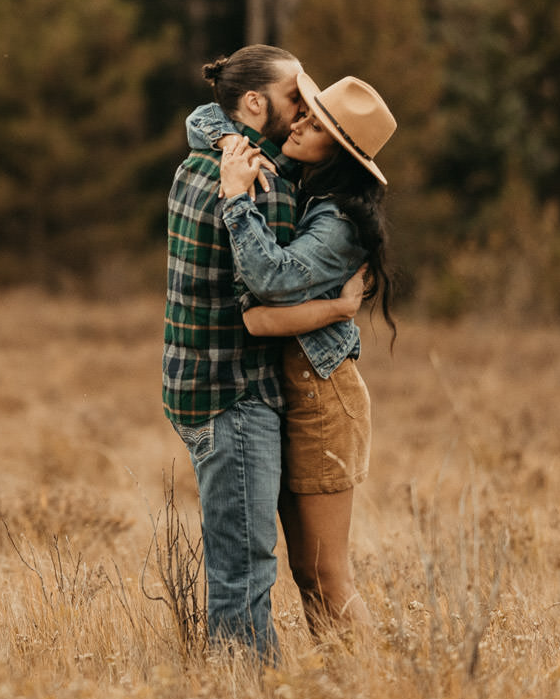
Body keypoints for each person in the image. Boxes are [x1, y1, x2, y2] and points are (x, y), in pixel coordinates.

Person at [162, 46, 366, 663]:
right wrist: (338, 308)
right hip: (239, 394)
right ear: (255, 104)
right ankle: (245, 698)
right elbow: (263, 298)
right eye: (296, 99)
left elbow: (205, 117)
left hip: (194, 389)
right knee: (246, 570)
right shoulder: (262, 186)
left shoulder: (195, 161)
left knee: (263, 563)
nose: (305, 111)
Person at [190, 71, 397, 641]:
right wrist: (230, 143)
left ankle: (380, 696)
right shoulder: (304, 192)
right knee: (305, 571)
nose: (300, 121)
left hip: (325, 401)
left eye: (318, 122)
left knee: (328, 573)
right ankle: (341, 697)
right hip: (289, 395)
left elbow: (267, 282)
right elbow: (206, 120)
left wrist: (236, 196)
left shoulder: (338, 222)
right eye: (304, 110)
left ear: (344, 152)